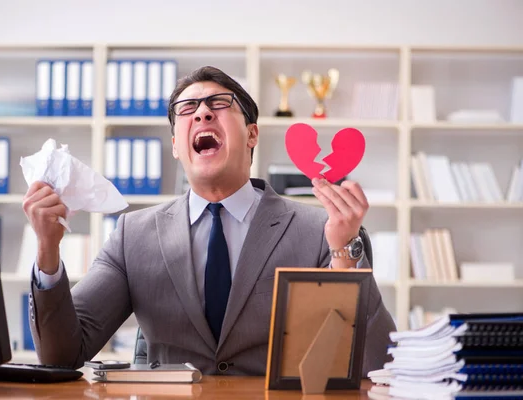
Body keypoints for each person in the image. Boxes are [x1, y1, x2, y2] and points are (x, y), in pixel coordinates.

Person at [23, 66, 396, 376]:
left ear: (251, 134)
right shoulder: (131, 235)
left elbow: (372, 365)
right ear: (175, 146)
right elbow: (62, 356)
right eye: (187, 109)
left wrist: (343, 252)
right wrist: (47, 250)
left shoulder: (320, 232)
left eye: (218, 104)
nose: (202, 113)